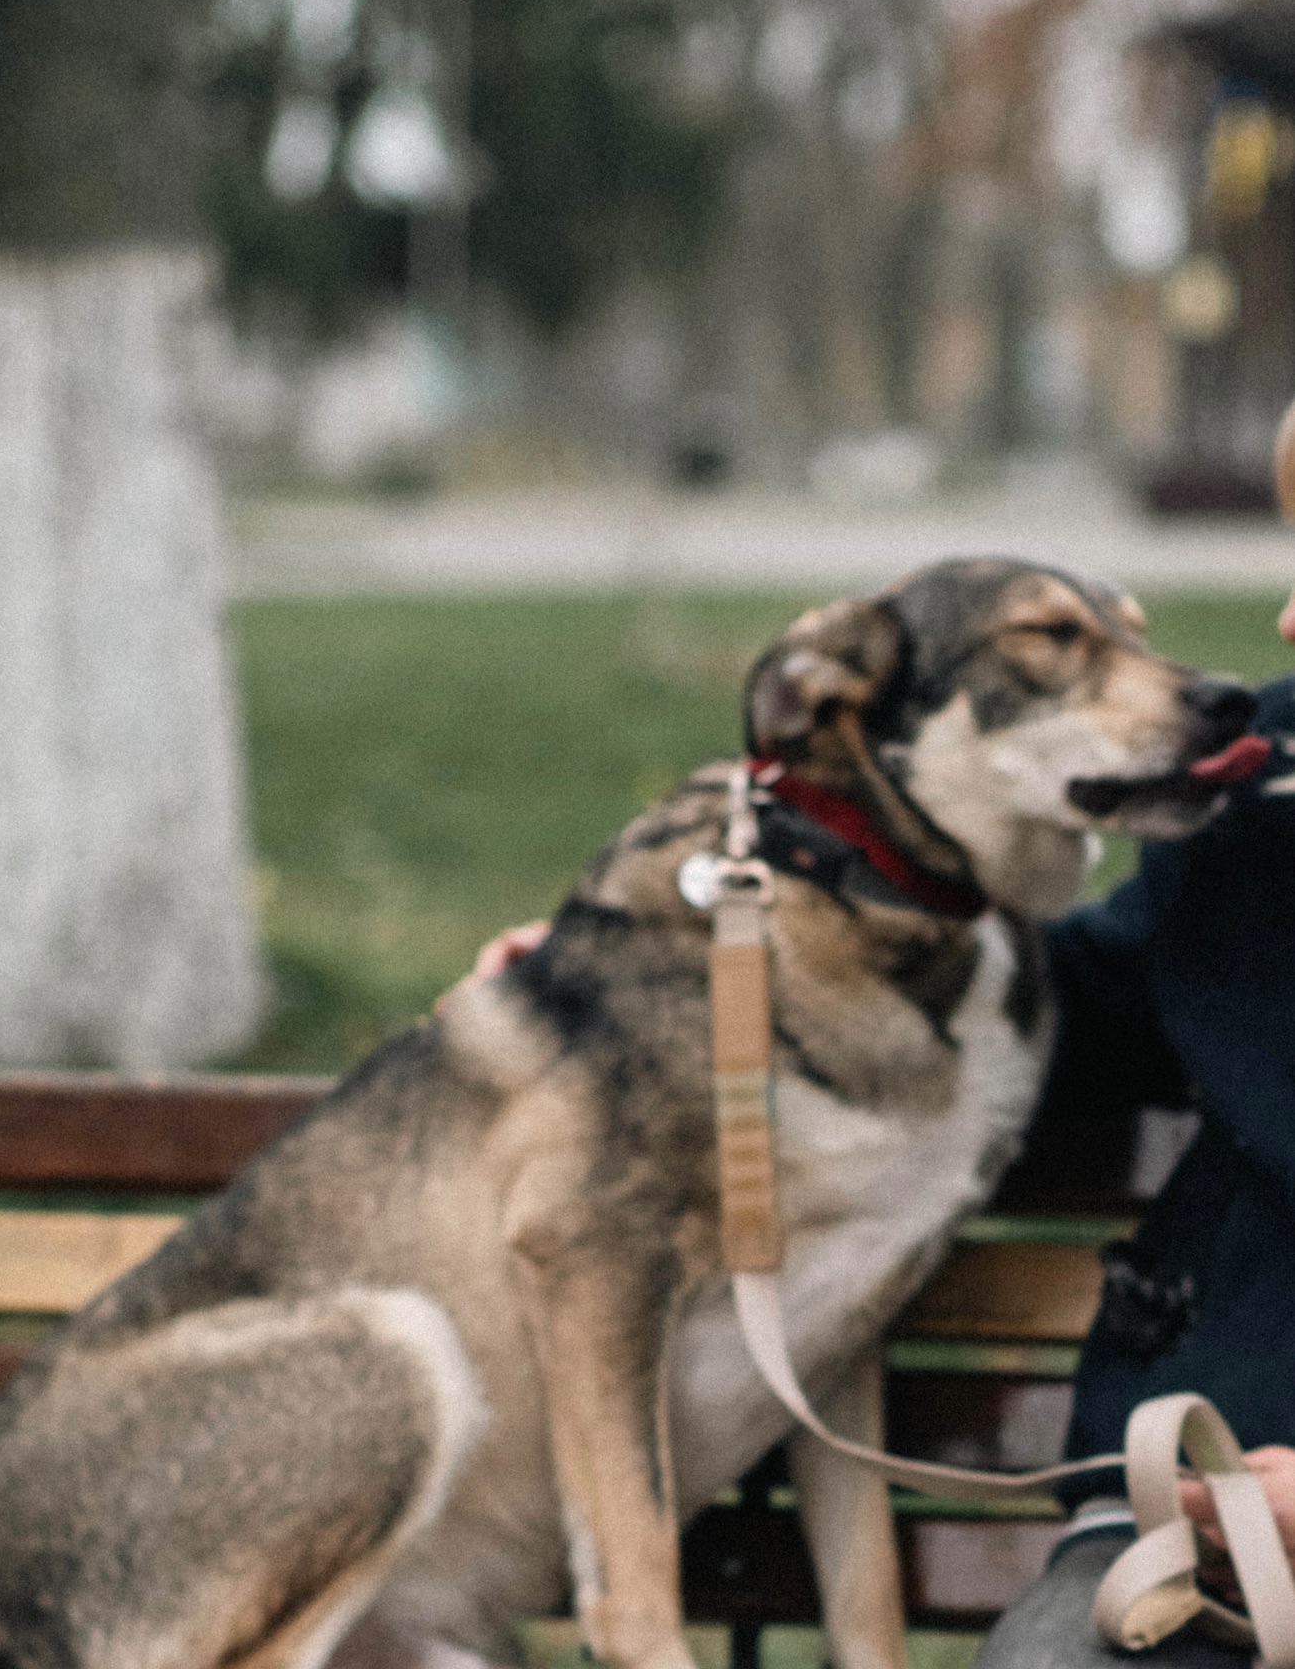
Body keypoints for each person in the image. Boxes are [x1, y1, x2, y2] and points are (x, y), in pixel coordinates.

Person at [467, 405, 1295, 1660]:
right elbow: (1087, 1007)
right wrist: (673, 986)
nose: (1286, 621)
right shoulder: (1264, 783)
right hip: (1199, 1521)